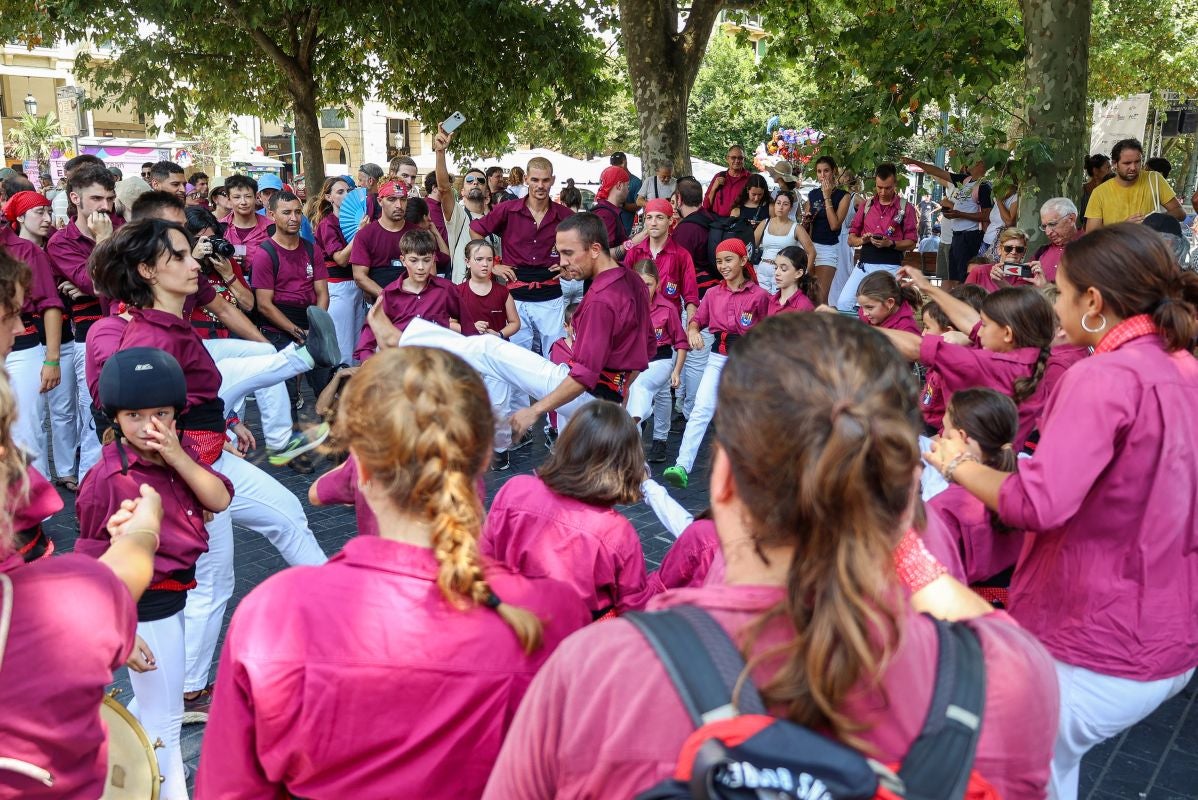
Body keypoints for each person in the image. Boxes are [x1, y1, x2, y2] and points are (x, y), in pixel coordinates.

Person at [483, 312, 1060, 800]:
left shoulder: (599, 669)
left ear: (725, 479)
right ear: (907, 482)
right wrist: (894, 532)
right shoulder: (1009, 675)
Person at [196, 347, 590, 798]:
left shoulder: (275, 614)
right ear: (481, 459)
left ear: (359, 465)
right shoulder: (552, 615)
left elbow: (230, 790)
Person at [923, 223, 1198, 800]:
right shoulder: (1183, 368)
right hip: (1167, 628)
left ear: (1092, 302)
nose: (1054, 305)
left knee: (1003, 765)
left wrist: (958, 466)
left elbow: (1040, 504)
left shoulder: (1103, 377)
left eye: (1062, 293)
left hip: (1098, 635)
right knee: (1046, 771)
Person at [89, 218, 335, 718]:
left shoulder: (171, 326)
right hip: (188, 475)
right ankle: (173, 696)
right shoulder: (146, 338)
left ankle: (341, 611)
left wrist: (220, 424)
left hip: (204, 460)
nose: (191, 263)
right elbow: (142, 428)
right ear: (147, 271)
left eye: (188, 253)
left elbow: (193, 397)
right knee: (211, 578)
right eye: (178, 256)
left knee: (284, 517)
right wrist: (186, 478)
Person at [75, 348, 232, 800]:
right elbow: (89, 559)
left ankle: (126, 765)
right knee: (165, 722)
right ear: (115, 417)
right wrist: (116, 628)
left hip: (174, 601)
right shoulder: (108, 478)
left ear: (177, 414)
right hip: (144, 608)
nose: (150, 426)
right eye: (135, 415)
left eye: (161, 413)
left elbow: (218, 499)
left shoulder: (175, 457)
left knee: (154, 708)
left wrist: (179, 455)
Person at [382, 213, 653, 437]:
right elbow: (646, 349)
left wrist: (534, 411)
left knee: (489, 348)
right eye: (559, 253)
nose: (563, 262)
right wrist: (621, 393)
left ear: (595, 249)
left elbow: (583, 376)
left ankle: (404, 339)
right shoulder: (632, 281)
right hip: (605, 399)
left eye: (569, 253)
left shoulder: (601, 300)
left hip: (588, 398)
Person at [482, 400, 649, 618]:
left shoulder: (516, 489)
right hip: (576, 640)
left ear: (567, 443)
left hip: (510, 623)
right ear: (625, 464)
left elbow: (483, 558)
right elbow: (634, 612)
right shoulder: (617, 532)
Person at [877, 268, 1055, 450]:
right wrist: (926, 287)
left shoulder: (993, 365)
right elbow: (972, 323)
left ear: (1007, 333)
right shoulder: (1028, 354)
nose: (979, 330)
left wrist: (855, 329)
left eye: (985, 324)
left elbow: (918, 347)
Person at [470, 157, 574, 440]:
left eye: (545, 180)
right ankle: (520, 427)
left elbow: (582, 244)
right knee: (515, 363)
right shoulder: (508, 210)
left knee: (556, 362)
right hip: (515, 295)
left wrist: (566, 260)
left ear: (553, 180)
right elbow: (476, 231)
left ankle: (557, 426)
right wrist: (494, 265)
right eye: (535, 180)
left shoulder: (564, 215)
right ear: (526, 179)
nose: (540, 186)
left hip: (551, 295)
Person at [663, 238, 769, 490]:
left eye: (728, 260)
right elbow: (696, 320)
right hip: (717, 357)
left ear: (744, 261)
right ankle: (682, 465)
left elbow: (769, 331)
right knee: (701, 410)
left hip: (747, 362)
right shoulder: (712, 293)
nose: (723, 266)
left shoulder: (760, 296)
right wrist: (693, 330)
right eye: (719, 261)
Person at [46, 164, 117, 481]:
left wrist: (99, 278)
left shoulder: (121, 227)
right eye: (97, 198)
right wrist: (106, 244)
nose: (105, 206)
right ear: (75, 198)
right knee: (94, 417)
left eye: (109, 198)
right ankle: (92, 490)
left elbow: (135, 279)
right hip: (89, 337)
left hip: (127, 326)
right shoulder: (61, 242)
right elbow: (99, 285)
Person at [924, 388, 1025, 596]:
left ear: (961, 437)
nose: (939, 439)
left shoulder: (945, 508)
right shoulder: (1029, 487)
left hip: (970, 609)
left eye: (944, 432)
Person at [251, 190, 334, 422]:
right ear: (271, 215)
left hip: (311, 323)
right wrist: (297, 333)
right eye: (286, 212)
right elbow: (265, 305)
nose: (294, 218)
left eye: (298, 212)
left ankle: (334, 441)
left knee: (326, 385)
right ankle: (290, 452)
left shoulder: (312, 249)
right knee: (285, 396)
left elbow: (322, 293)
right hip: (279, 330)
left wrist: (315, 327)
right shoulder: (265, 254)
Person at [2, 192, 65, 480]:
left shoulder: (26, 251)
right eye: (39, 212)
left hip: (22, 346)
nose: (46, 219)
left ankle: (37, 512)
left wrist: (52, 359)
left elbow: (50, 304)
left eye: (46, 212)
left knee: (25, 428)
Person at [452, 239, 520, 468]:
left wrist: (498, 334)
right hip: (468, 356)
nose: (485, 264)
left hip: (497, 356)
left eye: (489, 260)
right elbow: (448, 322)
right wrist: (468, 328)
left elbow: (514, 323)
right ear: (467, 262)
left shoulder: (502, 292)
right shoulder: (458, 292)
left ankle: (501, 449)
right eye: (479, 259)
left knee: (500, 406)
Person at [354, 229, 458, 362]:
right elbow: (366, 343)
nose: (420, 267)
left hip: (438, 365)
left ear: (433, 259)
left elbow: (469, 329)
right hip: (401, 365)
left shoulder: (446, 289)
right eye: (414, 260)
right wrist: (370, 365)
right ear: (403, 260)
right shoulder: (389, 294)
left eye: (426, 260)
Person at [625, 259, 688, 462]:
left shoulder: (667, 308)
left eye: (649, 284)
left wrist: (676, 371)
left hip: (660, 360)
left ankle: (639, 427)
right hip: (633, 361)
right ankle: (658, 440)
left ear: (658, 284)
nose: (644, 289)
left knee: (639, 387)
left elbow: (680, 342)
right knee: (660, 395)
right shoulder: (626, 305)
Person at [836, 163, 918, 311]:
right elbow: (851, 239)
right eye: (879, 187)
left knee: (886, 308)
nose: (883, 192)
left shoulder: (906, 207)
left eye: (888, 188)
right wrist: (863, 240)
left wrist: (891, 244)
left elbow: (912, 242)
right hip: (865, 264)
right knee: (844, 304)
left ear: (895, 184)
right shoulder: (866, 205)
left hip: (891, 265)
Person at [904, 155, 992, 287]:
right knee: (953, 277)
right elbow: (938, 172)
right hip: (956, 236)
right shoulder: (965, 180)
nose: (967, 164)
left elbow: (986, 215)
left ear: (980, 164)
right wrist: (915, 162)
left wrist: (959, 214)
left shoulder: (984, 186)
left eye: (971, 161)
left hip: (970, 236)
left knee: (965, 277)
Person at [309, 175, 363, 362]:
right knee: (344, 343)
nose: (346, 195)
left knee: (358, 342)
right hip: (338, 287)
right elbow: (340, 258)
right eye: (340, 192)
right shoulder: (327, 224)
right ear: (328, 197)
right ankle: (340, 386)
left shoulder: (357, 219)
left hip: (356, 285)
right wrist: (359, 234)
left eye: (348, 190)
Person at [1085, 139, 1184, 230]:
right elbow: (1091, 235)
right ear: (1115, 164)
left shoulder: (1154, 179)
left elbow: (1180, 213)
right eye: (1127, 163)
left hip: (1150, 248)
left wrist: (1154, 221)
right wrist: (1123, 227)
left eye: (1137, 162)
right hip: (1116, 249)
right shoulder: (1099, 193)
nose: (1133, 167)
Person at [350, 180, 410, 302]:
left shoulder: (418, 233)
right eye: (392, 199)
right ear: (380, 201)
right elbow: (359, 276)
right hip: (379, 305)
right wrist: (386, 297)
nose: (399, 205)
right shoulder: (365, 234)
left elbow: (430, 272)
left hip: (414, 303)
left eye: (403, 199)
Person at [807, 155, 851, 305]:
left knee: (821, 297)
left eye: (826, 171)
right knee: (809, 295)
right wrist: (806, 220)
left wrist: (827, 197)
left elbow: (835, 225)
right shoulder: (812, 194)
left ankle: (825, 328)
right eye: (819, 171)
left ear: (834, 172)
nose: (822, 175)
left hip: (828, 248)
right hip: (810, 247)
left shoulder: (843, 196)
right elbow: (808, 224)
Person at [753, 191, 815, 294]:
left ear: (790, 208)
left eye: (785, 204)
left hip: (784, 271)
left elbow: (812, 252)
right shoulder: (765, 223)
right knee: (761, 304)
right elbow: (750, 247)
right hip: (763, 270)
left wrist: (803, 274)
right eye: (778, 203)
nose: (781, 207)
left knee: (779, 306)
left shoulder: (796, 228)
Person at [219, 174, 272, 278]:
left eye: (248, 196)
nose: (243, 202)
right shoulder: (220, 227)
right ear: (229, 199)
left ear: (256, 197)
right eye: (237, 197)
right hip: (230, 285)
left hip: (264, 285)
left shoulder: (271, 228)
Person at [966, 228, 1041, 292]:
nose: (1013, 252)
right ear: (999, 250)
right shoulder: (979, 272)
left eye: (1019, 249)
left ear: (1024, 253)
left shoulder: (1028, 276)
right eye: (1008, 248)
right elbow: (963, 300)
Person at [590, 165, 631, 257]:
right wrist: (632, 243)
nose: (628, 190)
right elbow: (601, 255)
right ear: (619, 185)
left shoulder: (606, 211)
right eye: (627, 186)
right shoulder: (606, 215)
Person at [768, 245, 819, 315]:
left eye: (783, 269)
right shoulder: (770, 300)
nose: (776, 273)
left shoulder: (804, 306)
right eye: (776, 268)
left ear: (798, 273)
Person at [703, 144, 750, 217]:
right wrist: (714, 189)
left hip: (738, 223)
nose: (737, 161)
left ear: (744, 159)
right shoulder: (719, 176)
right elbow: (706, 206)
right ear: (727, 158)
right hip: (717, 222)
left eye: (740, 158)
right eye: (733, 158)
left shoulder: (750, 178)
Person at [609, 152, 642, 233]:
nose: (615, 167)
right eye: (613, 164)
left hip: (625, 228)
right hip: (610, 226)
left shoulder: (636, 182)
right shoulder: (611, 179)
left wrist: (622, 204)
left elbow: (638, 206)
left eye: (617, 164)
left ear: (624, 162)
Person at [1079, 153, 1110, 219]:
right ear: (1095, 170)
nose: (1111, 171)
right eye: (1108, 168)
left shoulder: (1110, 190)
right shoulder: (1082, 192)